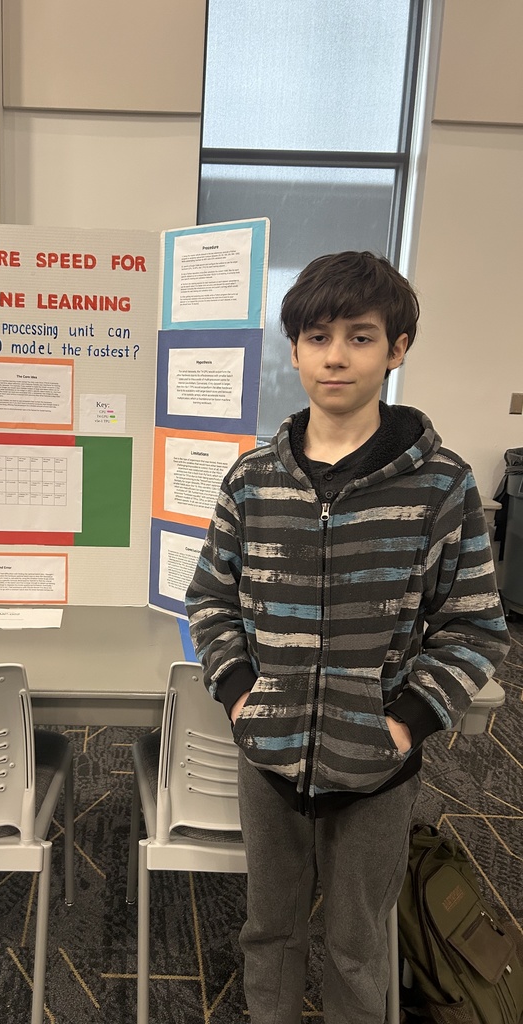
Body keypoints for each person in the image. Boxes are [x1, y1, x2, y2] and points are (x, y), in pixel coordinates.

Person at [185, 251, 510, 1024]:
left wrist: (402, 722)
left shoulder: (441, 484)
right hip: (268, 759)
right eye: (319, 336)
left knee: (359, 942)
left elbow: (475, 624)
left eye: (361, 337)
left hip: (377, 769)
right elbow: (211, 599)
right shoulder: (253, 479)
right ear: (294, 348)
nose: (336, 356)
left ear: (397, 349)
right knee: (269, 931)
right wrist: (239, 698)